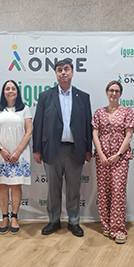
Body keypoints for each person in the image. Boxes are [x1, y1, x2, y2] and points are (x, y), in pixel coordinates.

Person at [33, 59, 93, 237]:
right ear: (56, 74)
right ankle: (53, 221)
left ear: (72, 72)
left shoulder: (83, 97)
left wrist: (88, 148)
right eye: (59, 70)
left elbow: (87, 124)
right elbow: (38, 124)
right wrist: (37, 149)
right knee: (53, 189)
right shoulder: (45, 96)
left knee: (74, 189)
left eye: (66, 69)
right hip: (52, 150)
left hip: (76, 150)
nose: (63, 72)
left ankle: (74, 222)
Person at [92, 80, 134, 244]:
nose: (114, 93)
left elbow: (129, 135)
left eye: (117, 91)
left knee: (117, 191)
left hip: (121, 157)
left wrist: (118, 154)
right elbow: (95, 134)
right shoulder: (98, 112)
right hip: (102, 157)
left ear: (120, 94)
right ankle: (106, 225)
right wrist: (101, 154)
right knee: (103, 191)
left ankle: (118, 229)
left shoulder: (127, 112)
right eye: (111, 90)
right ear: (106, 92)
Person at [0, 80, 33, 234]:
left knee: (15, 185)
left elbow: (29, 132)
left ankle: (14, 217)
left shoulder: (25, 109)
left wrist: (17, 152)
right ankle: (4, 217)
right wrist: (2, 150)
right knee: (3, 185)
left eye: (13, 88)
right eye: (7, 88)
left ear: (17, 91)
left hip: (19, 154)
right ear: (3, 91)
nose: (10, 91)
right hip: (0, 154)